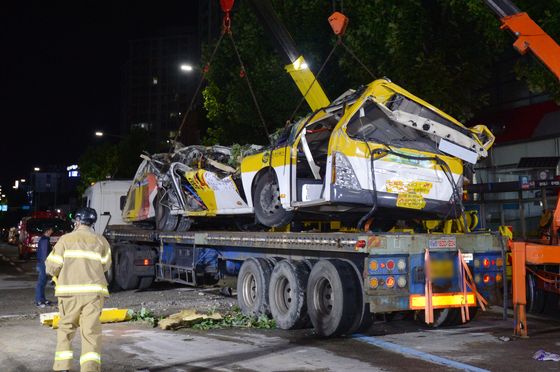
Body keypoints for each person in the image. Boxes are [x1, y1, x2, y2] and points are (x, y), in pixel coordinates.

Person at [46, 207, 111, 372]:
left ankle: (62, 367)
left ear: (77, 221)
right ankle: (90, 369)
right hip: (94, 294)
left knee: (66, 329)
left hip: (69, 294)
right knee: (91, 332)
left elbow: (52, 267)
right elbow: (105, 265)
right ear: (92, 222)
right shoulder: (101, 241)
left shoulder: (66, 240)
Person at [35, 226, 54, 307]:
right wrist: (47, 264)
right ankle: (39, 301)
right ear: (47, 230)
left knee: (43, 282)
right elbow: (44, 254)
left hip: (42, 263)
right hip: (43, 264)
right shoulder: (44, 240)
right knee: (41, 282)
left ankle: (42, 299)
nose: (52, 232)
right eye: (51, 230)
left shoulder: (44, 239)